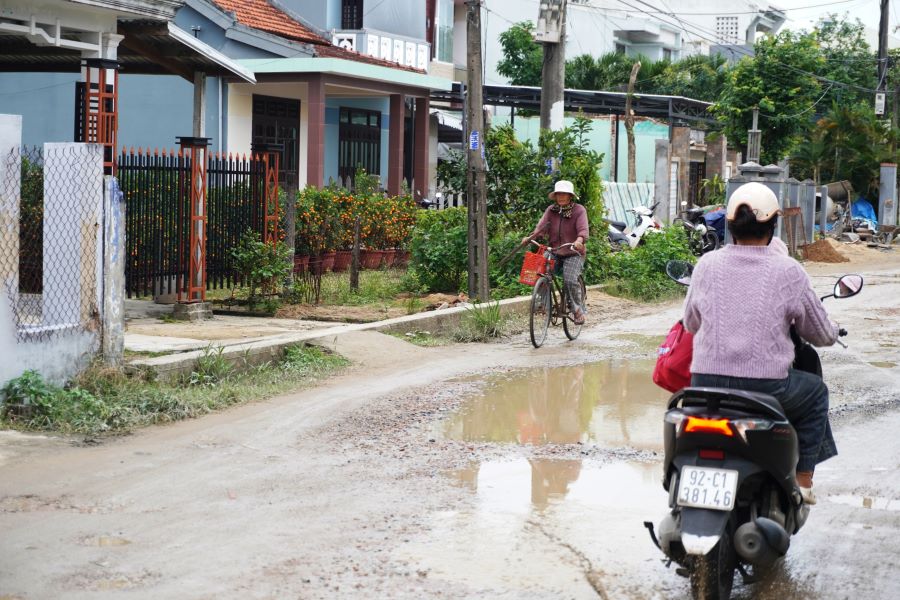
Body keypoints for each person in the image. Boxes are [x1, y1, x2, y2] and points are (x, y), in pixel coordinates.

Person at [682, 181, 839, 505]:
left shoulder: (706, 266)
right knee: (816, 394)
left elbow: (690, 323)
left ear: (729, 225)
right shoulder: (788, 270)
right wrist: (834, 331)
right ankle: (803, 479)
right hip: (766, 390)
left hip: (705, 386)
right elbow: (820, 334)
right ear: (772, 225)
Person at [522, 180, 589, 324]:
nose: (561, 197)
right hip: (555, 251)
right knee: (538, 271)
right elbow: (541, 228)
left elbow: (583, 230)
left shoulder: (579, 210)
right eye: (558, 194)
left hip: (573, 252)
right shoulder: (551, 210)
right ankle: (544, 303)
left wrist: (579, 241)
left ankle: (577, 309)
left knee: (570, 279)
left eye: (564, 194)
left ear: (570, 196)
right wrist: (530, 237)